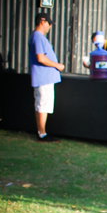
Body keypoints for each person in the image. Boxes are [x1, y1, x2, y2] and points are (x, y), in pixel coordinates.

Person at [29, 12, 65, 142]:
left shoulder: (36, 36)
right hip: (43, 77)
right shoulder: (38, 37)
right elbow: (41, 57)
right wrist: (57, 65)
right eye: (49, 23)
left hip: (43, 77)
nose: (49, 26)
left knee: (40, 104)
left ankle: (41, 132)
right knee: (43, 105)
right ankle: (42, 134)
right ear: (42, 22)